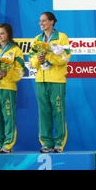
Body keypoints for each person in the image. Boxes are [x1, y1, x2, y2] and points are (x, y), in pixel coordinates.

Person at [29, 12, 71, 153]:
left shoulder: (62, 37)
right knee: (44, 112)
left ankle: (59, 143)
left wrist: (49, 57)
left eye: (44, 21)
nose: (41, 23)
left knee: (58, 111)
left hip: (57, 80)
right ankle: (46, 142)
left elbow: (65, 58)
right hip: (41, 80)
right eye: (40, 21)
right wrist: (38, 61)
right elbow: (31, 60)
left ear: (52, 22)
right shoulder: (37, 39)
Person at [0, 23, 25, 153]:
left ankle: (7, 144)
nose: (0, 36)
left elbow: (21, 71)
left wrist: (8, 73)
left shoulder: (15, 50)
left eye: (2, 33)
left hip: (8, 87)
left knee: (8, 116)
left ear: (8, 34)